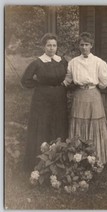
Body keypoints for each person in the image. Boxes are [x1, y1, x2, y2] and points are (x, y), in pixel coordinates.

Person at [63, 32, 107, 164]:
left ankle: (96, 157)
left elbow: (104, 84)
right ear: (79, 46)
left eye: (87, 44)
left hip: (93, 94)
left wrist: (93, 85)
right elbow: (67, 79)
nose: (84, 47)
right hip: (79, 95)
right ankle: (78, 157)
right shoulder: (73, 62)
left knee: (95, 123)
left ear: (91, 46)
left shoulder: (98, 62)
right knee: (78, 122)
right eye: (81, 45)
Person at [21, 33, 68, 171]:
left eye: (54, 45)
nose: (51, 48)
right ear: (44, 47)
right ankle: (39, 163)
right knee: (43, 127)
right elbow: (25, 80)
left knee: (58, 126)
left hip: (59, 99)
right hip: (42, 101)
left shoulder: (62, 61)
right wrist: (39, 85)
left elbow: (68, 76)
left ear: (57, 47)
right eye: (49, 45)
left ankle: (58, 162)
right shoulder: (38, 62)